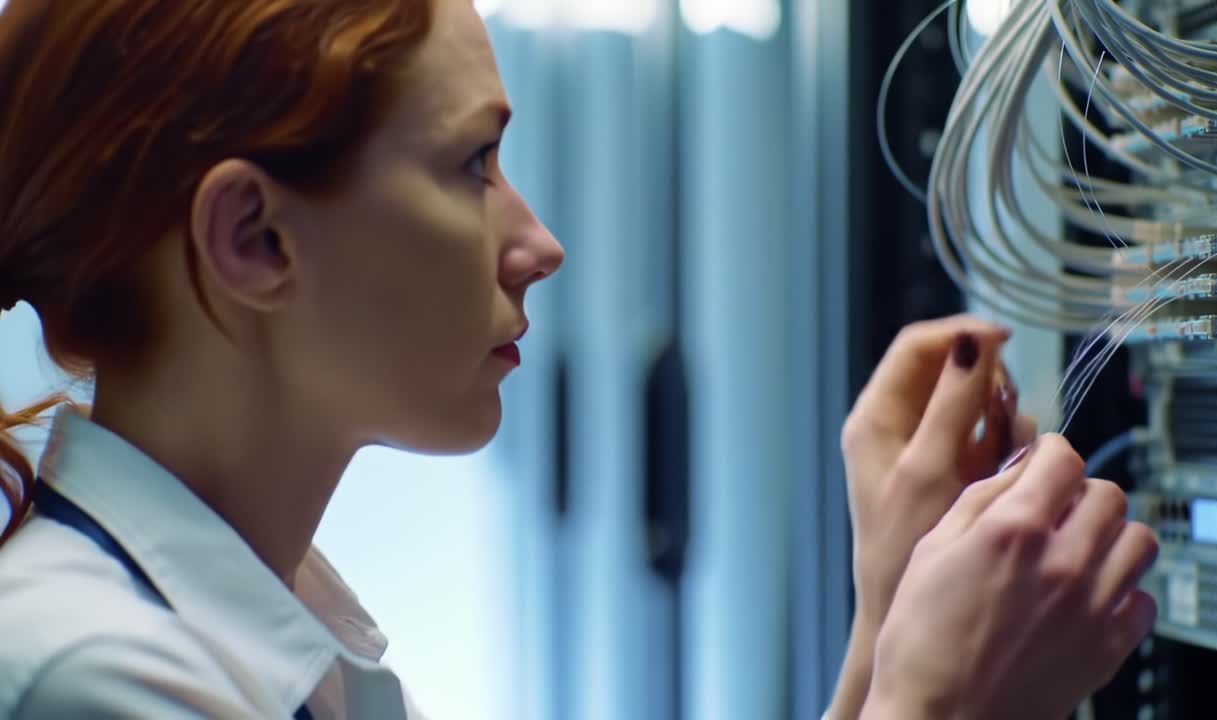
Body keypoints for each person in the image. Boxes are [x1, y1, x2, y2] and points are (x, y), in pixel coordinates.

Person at [0, 0, 1157, 718]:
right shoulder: (91, 676)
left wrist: (887, 618)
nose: (538, 245)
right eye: (471, 166)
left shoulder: (265, 620)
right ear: (253, 238)